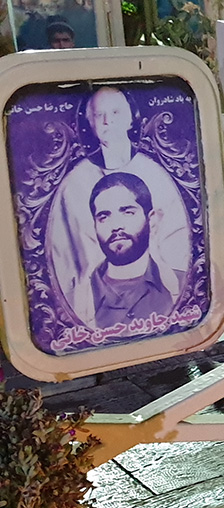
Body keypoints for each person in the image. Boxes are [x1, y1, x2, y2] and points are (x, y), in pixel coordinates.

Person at [44, 86, 192, 328]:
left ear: (131, 118)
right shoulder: (79, 299)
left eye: (115, 112)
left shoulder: (177, 284)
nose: (107, 121)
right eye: (98, 115)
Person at [88, 173, 184, 330]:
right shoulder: (78, 298)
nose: (116, 226)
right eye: (104, 217)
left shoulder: (182, 285)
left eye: (127, 212)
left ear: (151, 220)